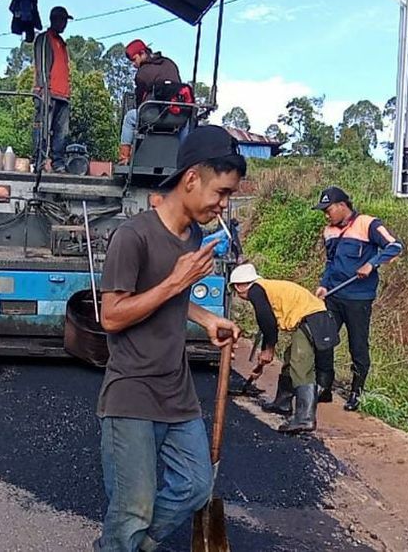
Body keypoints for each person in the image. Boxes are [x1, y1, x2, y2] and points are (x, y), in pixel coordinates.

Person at [95, 125, 245, 551]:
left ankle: (131, 545)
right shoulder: (133, 236)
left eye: (229, 195)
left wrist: (205, 318)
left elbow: (173, 301)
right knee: (133, 507)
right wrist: (177, 282)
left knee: (197, 486)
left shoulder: (195, 237)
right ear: (191, 178)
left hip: (177, 392)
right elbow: (112, 316)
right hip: (132, 392)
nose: (223, 205)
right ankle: (123, 540)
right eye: (221, 192)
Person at [314, 186, 403, 411]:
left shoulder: (368, 224)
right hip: (333, 295)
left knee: (358, 345)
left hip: (358, 298)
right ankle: (324, 387)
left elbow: (395, 246)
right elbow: (330, 262)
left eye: (329, 209)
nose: (326, 215)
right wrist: (324, 285)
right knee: (323, 340)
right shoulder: (329, 231)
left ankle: (357, 392)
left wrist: (371, 264)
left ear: (342, 206)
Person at [229, 263, 339, 434]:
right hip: (315, 318)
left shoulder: (255, 291)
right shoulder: (265, 288)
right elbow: (268, 323)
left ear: (239, 286)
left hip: (311, 319)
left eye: (235, 290)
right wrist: (268, 347)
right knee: (290, 359)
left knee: (300, 365)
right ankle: (283, 402)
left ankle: (305, 419)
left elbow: (268, 322)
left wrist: (268, 349)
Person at [117, 39, 182, 165]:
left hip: (155, 116)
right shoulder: (169, 64)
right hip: (177, 116)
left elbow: (139, 99)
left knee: (130, 117)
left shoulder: (142, 73)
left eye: (134, 59)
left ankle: (124, 158)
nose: (133, 64)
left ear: (142, 54)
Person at [33, 6, 73, 173]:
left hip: (62, 95)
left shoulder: (61, 43)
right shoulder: (44, 39)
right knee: (42, 128)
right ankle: (39, 162)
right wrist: (44, 92)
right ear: (55, 20)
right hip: (48, 93)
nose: (64, 24)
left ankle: (58, 162)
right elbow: (42, 67)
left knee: (61, 133)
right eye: (62, 20)